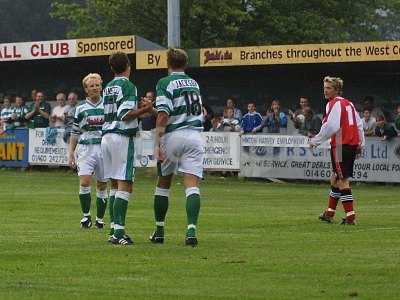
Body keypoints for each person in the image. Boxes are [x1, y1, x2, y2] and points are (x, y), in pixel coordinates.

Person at [150, 48, 204, 247]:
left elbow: (164, 114)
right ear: (185, 64)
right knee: (192, 185)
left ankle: (160, 230)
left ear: (168, 63)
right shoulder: (194, 83)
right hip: (195, 135)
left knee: (163, 183)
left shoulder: (165, 82)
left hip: (173, 135)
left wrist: (157, 143)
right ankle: (191, 230)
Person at [102, 52, 154, 245]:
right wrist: (146, 110)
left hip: (106, 136)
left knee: (115, 184)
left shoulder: (108, 87)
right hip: (121, 137)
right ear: (128, 66)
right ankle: (119, 234)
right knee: (125, 183)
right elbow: (125, 115)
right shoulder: (128, 85)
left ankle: (114, 229)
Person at [310, 76, 364, 225]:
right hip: (350, 144)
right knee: (335, 176)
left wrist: (316, 140)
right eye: (324, 88)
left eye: (329, 88)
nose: (325, 91)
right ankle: (329, 212)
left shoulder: (333, 104)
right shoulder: (349, 104)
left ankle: (350, 216)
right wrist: (360, 143)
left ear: (336, 90)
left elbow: (331, 126)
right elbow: (359, 125)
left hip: (341, 144)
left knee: (342, 179)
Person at [68, 73, 108, 229]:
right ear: (86, 89)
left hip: (104, 148)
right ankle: (86, 217)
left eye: (97, 85)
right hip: (85, 149)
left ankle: (100, 219)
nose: (95, 88)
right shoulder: (80, 108)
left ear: (101, 86)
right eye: (91, 86)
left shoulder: (108, 106)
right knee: (85, 181)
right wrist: (71, 152)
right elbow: (75, 132)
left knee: (102, 184)